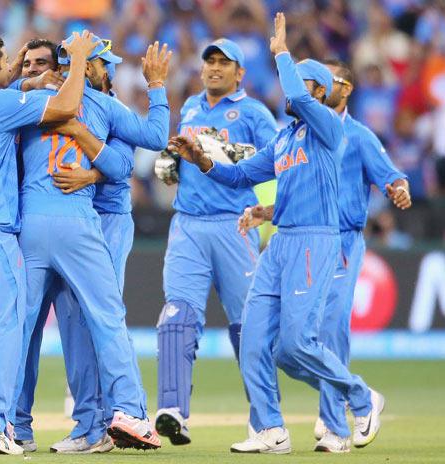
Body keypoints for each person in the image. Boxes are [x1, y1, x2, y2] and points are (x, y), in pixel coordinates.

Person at [167, 13, 385, 454]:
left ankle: (360, 396)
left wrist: (282, 51)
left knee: (297, 343)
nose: (293, 92)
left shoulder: (327, 129)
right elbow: (240, 175)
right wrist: (201, 160)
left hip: (314, 241)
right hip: (280, 242)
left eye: (303, 85)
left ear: (319, 93)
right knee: (258, 342)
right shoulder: (286, 139)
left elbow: (298, 97)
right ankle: (270, 429)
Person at [237, 58, 410, 453]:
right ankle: (355, 399)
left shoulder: (356, 134)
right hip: (299, 237)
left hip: (341, 241)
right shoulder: (295, 134)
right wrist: (269, 211)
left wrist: (399, 187)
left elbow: (390, 174)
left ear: (343, 89)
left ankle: (336, 428)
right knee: (289, 347)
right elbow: (299, 188)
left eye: (318, 80)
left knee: (328, 332)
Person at [0, 31, 97, 455]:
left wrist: (19, 80)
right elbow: (64, 105)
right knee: (7, 328)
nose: (14, 65)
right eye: (7, 60)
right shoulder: (0, 104)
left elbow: (3, 91)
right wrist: (78, 59)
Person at [14, 34, 170, 452]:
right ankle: (125, 414)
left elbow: (119, 166)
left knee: (17, 326)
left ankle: (3, 421)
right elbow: (144, 146)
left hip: (34, 220)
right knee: (102, 320)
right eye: (104, 64)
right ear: (89, 65)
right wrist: (156, 86)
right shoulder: (103, 105)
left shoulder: (29, 103)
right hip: (80, 221)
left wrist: (29, 88)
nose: (112, 71)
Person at [152, 37, 277, 446]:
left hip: (233, 224)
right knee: (176, 316)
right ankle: (172, 409)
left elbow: (275, 160)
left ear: (240, 73)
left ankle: (266, 424)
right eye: (210, 62)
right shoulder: (189, 106)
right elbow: (185, 163)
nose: (215, 68)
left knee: (250, 327)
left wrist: (212, 151)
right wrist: (171, 164)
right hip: (187, 222)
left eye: (225, 63)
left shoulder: (255, 112)